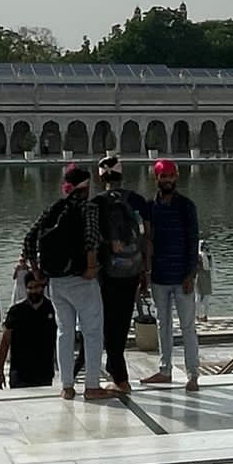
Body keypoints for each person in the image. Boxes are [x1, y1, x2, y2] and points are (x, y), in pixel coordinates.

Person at [25, 164, 109, 400]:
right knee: (92, 333)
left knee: (64, 333)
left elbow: (29, 238)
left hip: (57, 282)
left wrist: (37, 271)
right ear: (86, 186)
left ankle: (67, 386)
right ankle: (92, 386)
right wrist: (91, 267)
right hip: (81, 279)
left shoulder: (55, 208)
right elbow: (91, 238)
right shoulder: (87, 208)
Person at [139, 160, 201, 390]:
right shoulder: (150, 207)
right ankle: (165, 370)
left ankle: (193, 373)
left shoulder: (186, 206)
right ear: (156, 178)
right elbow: (147, 241)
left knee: (187, 326)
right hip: (159, 276)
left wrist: (190, 274)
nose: (167, 180)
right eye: (163, 176)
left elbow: (193, 240)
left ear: (176, 177)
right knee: (163, 325)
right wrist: (145, 273)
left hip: (182, 276)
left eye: (170, 176)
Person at [93, 155, 147, 395]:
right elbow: (147, 236)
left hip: (107, 273)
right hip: (133, 269)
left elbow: (91, 240)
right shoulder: (136, 200)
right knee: (122, 322)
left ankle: (120, 378)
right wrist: (145, 269)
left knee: (107, 323)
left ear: (100, 177)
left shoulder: (97, 202)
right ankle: (117, 372)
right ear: (122, 175)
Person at [0, 271, 57, 389]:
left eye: (37, 287)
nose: (34, 291)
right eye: (30, 288)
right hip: (19, 371)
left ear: (43, 287)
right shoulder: (16, 311)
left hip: (44, 370)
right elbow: (5, 341)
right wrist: (0, 371)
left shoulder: (52, 308)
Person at [195, 239, 213, 319]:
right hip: (205, 277)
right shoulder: (208, 255)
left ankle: (198, 315)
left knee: (199, 297)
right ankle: (204, 315)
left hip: (200, 277)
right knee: (204, 297)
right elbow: (209, 268)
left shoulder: (199, 255)